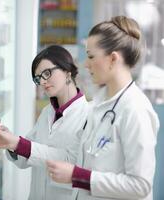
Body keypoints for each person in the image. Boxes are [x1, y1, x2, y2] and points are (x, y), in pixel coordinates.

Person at [46, 16, 160, 200]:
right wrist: (18, 144)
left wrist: (78, 176)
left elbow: (141, 185)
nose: (85, 64)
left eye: (91, 56)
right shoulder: (99, 105)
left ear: (113, 59)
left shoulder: (135, 110)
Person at [0, 45, 89, 199]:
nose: (42, 82)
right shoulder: (47, 113)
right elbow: (24, 160)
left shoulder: (87, 116)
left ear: (67, 71)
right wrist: (9, 142)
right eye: (38, 78)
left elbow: (71, 161)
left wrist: (17, 143)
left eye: (47, 73)